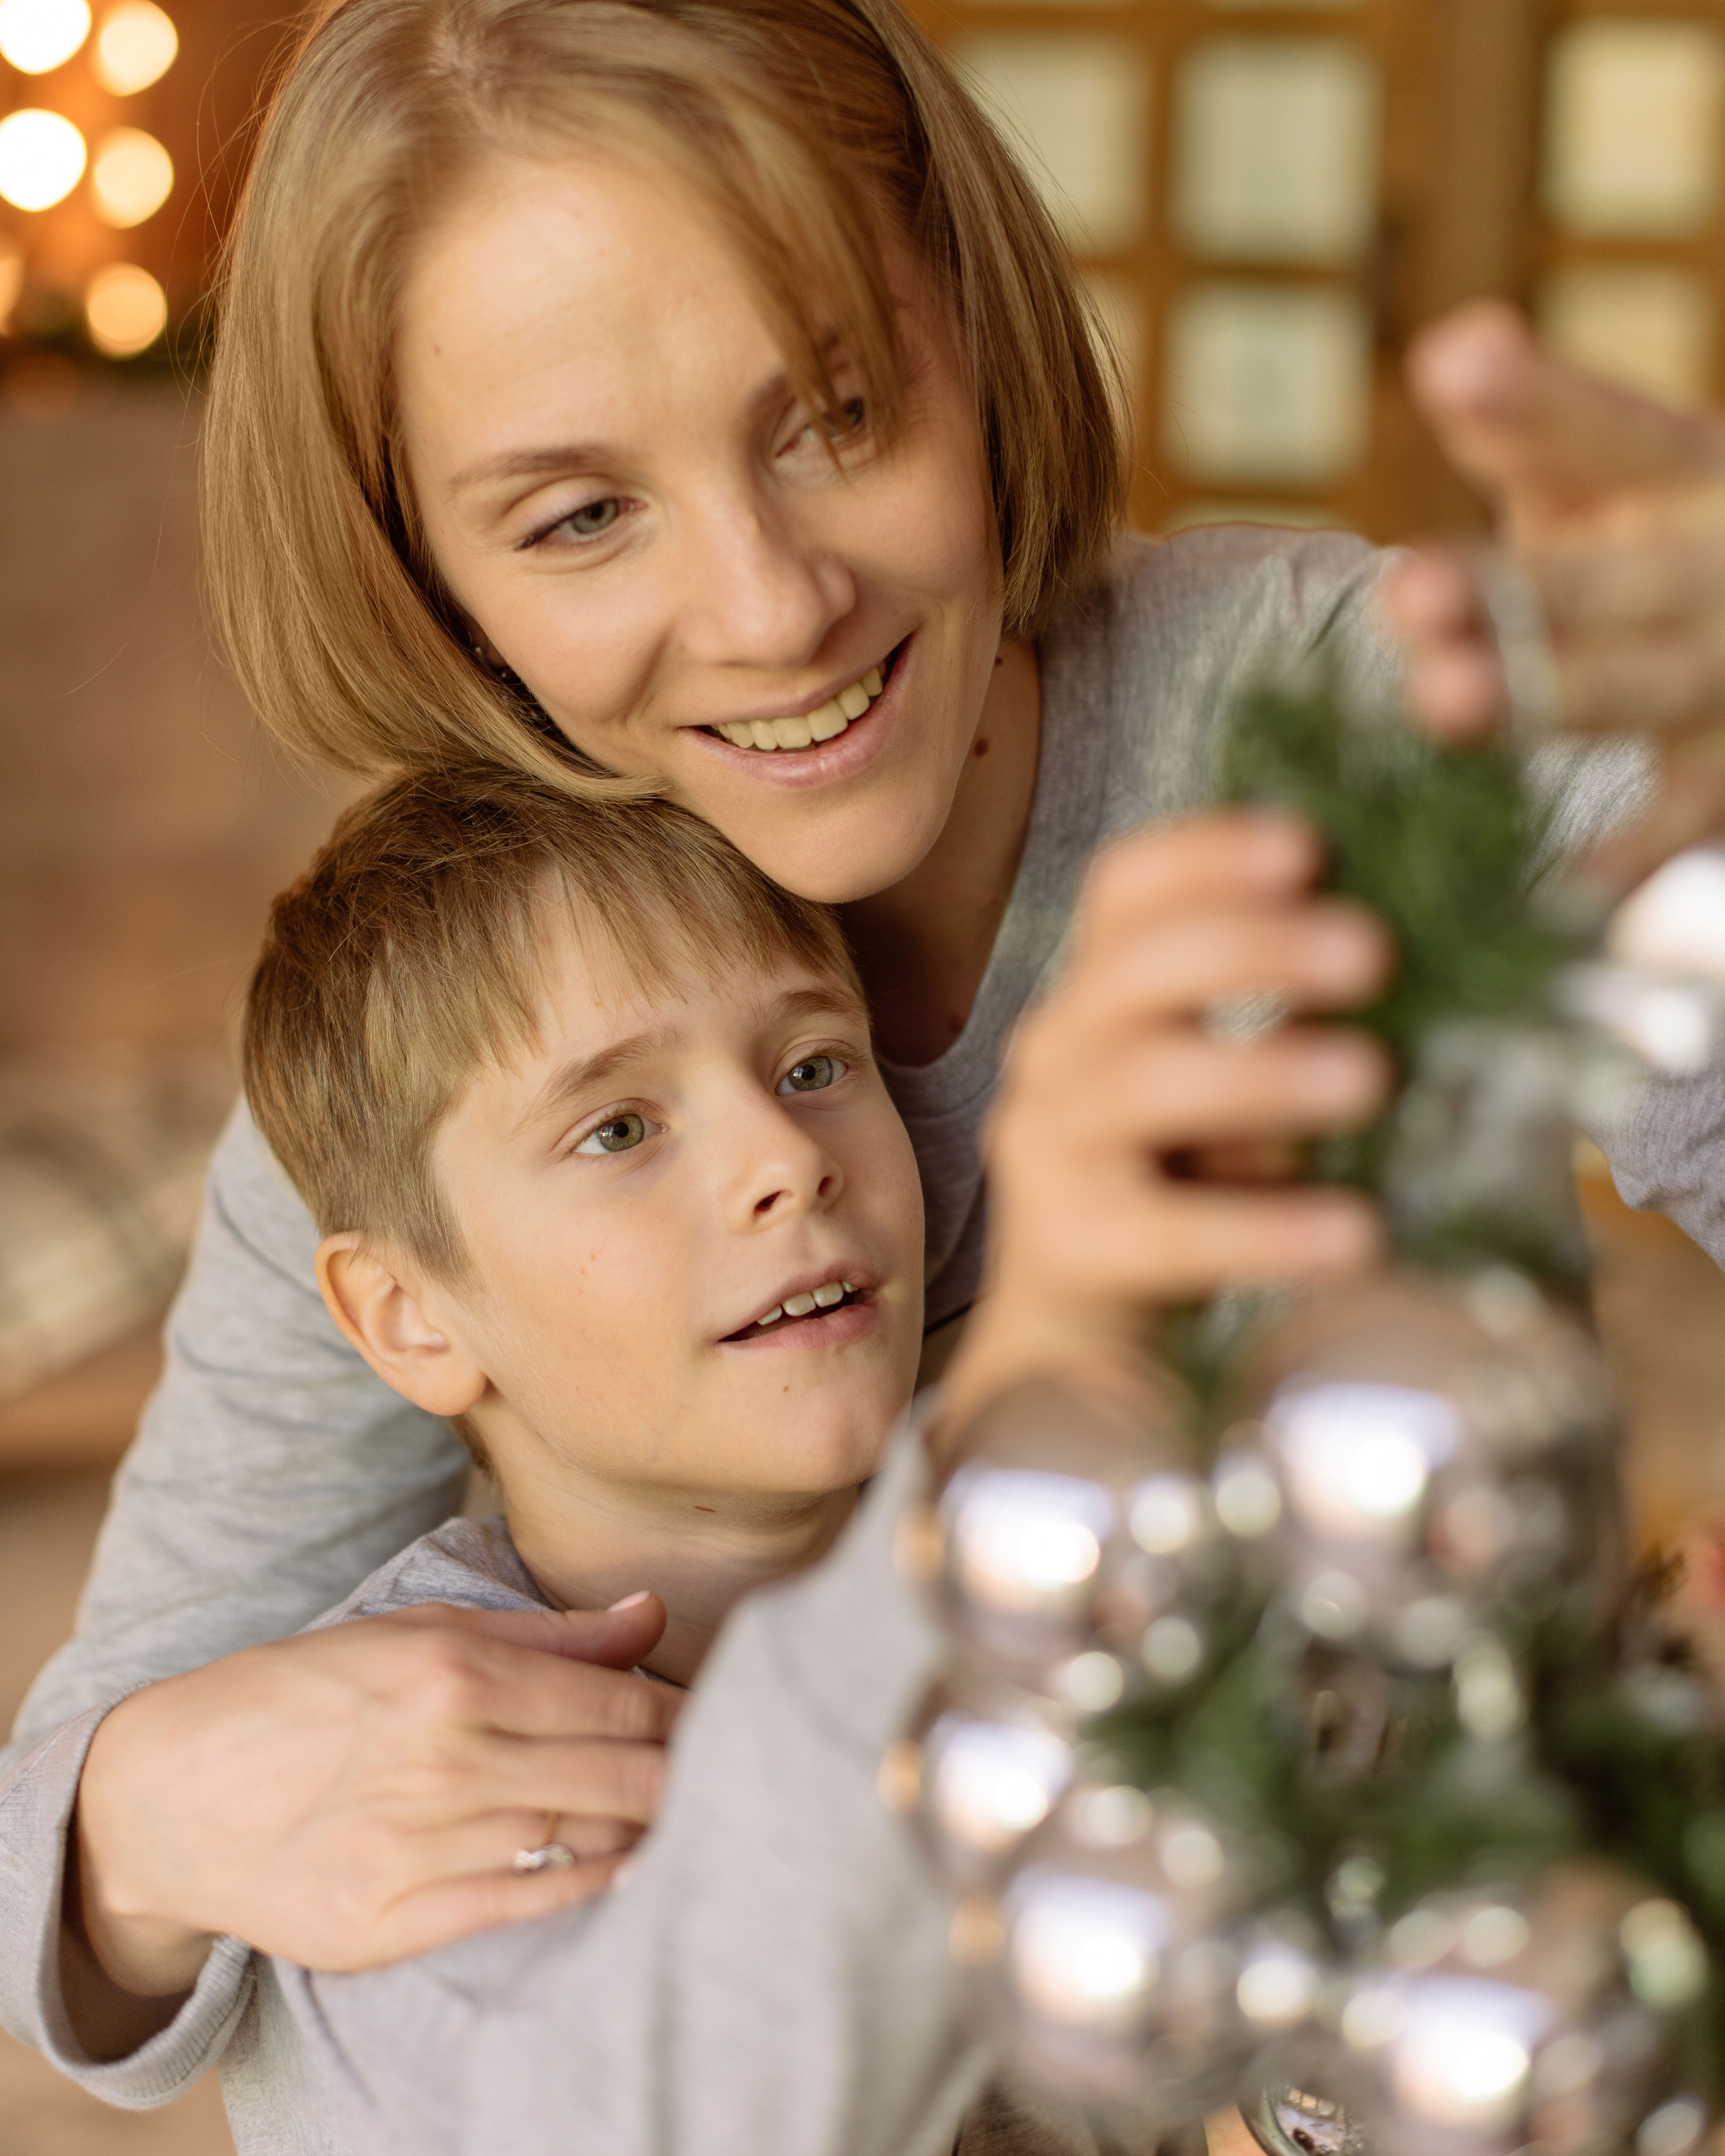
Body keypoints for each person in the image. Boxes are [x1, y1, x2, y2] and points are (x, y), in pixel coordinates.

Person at [1, 0, 1720, 2136]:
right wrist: (145, 1814)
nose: (771, 606)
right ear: (425, 574)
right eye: (573, 522)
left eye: (833, 410)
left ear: (976, 334)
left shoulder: (1339, 723)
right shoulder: (461, 998)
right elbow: (81, 1810)